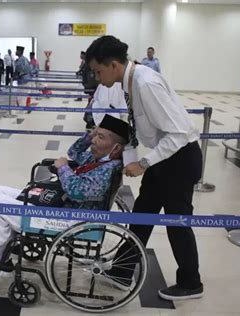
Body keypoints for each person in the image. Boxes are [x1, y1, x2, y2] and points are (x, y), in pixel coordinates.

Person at [85, 35, 203, 300]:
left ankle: (191, 282)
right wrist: (123, 152)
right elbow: (136, 125)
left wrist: (144, 163)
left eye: (98, 70)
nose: (96, 76)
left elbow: (178, 134)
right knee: (142, 212)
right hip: (166, 158)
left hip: (180, 159)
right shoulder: (130, 82)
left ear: (113, 64)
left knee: (177, 222)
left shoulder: (145, 83)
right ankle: (122, 270)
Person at [0, 114, 130, 274]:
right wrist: (90, 135)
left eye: (100, 137)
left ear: (116, 148)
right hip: (63, 205)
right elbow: (74, 152)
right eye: (96, 135)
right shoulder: (100, 160)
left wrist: (63, 168)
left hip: (70, 219)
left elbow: (77, 191)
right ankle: (3, 243)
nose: (94, 140)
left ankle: (0, 259)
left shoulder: (106, 171)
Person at [13, 46, 32, 110]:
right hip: (27, 79)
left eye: (17, 50)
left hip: (23, 80)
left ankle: (21, 109)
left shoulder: (20, 59)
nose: (16, 52)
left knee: (20, 96)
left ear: (20, 52)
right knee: (25, 95)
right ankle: (26, 107)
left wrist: (14, 76)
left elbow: (18, 69)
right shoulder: (25, 58)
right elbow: (29, 69)